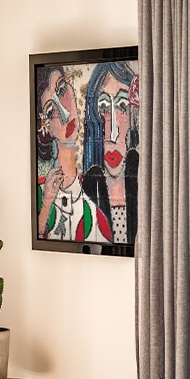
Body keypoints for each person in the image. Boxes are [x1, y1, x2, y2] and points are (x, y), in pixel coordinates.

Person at [36, 66, 111, 242]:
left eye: (62, 89)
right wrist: (46, 206)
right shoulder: (38, 196)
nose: (64, 113)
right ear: (45, 127)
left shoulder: (96, 219)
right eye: (50, 111)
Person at [83, 61, 139, 244]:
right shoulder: (88, 190)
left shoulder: (147, 189)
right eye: (104, 108)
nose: (113, 134)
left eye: (122, 106)